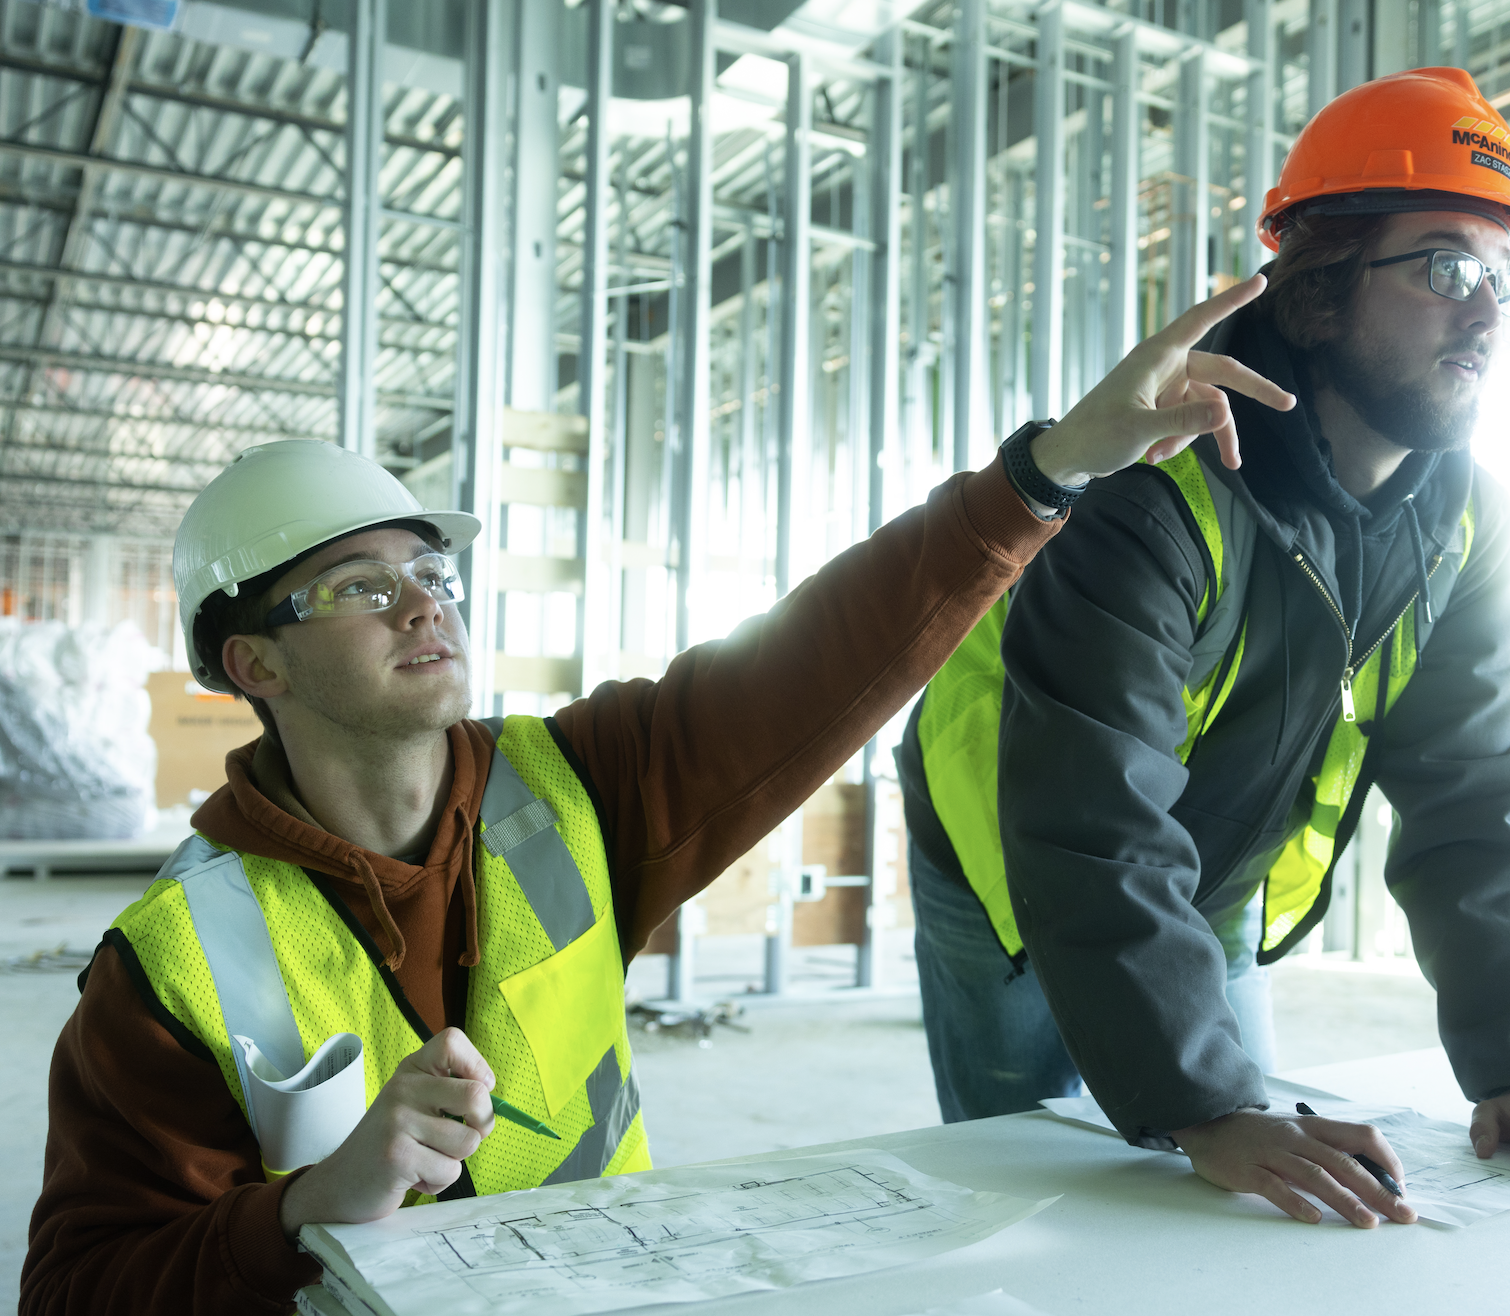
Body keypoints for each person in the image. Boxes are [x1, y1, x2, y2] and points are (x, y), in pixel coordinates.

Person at [22, 273, 1294, 1313]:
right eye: (356, 586)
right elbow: (82, 1284)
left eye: (427, 572)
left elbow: (820, 655)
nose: (421, 600)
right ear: (254, 663)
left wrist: (1052, 468)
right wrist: (295, 1211)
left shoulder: (580, 781)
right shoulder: (171, 965)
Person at [900, 66, 1510, 1231]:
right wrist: (1201, 1103)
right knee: (1040, 1201)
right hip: (1009, 838)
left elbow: (1477, 798)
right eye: (1448, 268)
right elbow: (1086, 817)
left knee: (1226, 1183)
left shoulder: (1462, 517)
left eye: (1502, 276)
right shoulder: (1158, 483)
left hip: (1214, 863)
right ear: (1319, 293)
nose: (1488, 311)